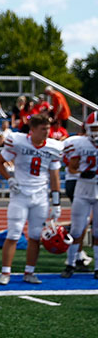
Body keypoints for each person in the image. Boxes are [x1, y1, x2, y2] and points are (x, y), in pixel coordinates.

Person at [0, 114, 63, 285]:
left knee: (35, 236)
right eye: (43, 129)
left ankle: (29, 272)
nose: (47, 132)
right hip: (20, 195)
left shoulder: (54, 147)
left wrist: (56, 202)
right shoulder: (18, 141)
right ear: (32, 130)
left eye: (48, 129)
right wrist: (9, 179)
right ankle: (5, 273)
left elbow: (54, 176)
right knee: (13, 234)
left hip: (40, 196)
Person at [61, 112, 98, 278]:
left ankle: (97, 268)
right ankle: (70, 264)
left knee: (97, 231)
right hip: (83, 188)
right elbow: (71, 167)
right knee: (76, 229)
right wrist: (83, 172)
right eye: (95, 128)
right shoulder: (79, 143)